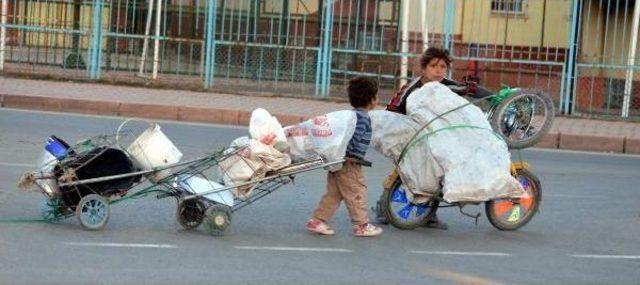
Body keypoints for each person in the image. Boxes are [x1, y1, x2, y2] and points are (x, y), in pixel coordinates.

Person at [376, 46, 492, 230]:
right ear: (423, 68)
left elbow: (467, 89)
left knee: (439, 172)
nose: (438, 71)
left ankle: (429, 215)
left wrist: (494, 97)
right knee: (405, 172)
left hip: (436, 136)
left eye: (443, 67)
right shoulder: (412, 88)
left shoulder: (445, 85)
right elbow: (392, 109)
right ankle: (383, 208)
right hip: (411, 137)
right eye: (433, 66)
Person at [306, 76, 383, 237]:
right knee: (357, 191)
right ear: (371, 100)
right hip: (349, 163)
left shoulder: (351, 116)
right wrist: (351, 155)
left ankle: (317, 221)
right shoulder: (362, 119)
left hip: (337, 162)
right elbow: (353, 138)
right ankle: (361, 225)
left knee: (334, 193)